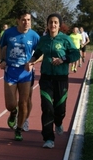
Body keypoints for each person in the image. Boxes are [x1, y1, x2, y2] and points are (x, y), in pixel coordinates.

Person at [27, 13, 80, 148]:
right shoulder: (43, 40)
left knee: (60, 109)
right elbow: (37, 53)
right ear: (47, 24)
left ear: (59, 25)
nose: (53, 25)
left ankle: (59, 121)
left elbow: (75, 53)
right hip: (46, 78)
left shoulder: (65, 39)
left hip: (61, 78)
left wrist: (63, 60)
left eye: (55, 22)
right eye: (50, 22)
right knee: (47, 107)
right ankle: (48, 138)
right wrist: (31, 62)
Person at [0, 9, 40, 141]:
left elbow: (41, 52)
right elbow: (0, 46)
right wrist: (2, 60)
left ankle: (19, 129)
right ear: (18, 20)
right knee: (10, 104)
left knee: (24, 102)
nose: (26, 22)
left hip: (25, 73)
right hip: (11, 71)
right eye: (23, 20)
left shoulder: (34, 36)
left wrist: (33, 62)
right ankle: (13, 113)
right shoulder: (9, 33)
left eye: (28, 20)